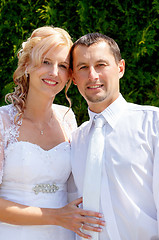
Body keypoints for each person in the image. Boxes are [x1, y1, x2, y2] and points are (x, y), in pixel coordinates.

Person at [0, 27, 105, 240]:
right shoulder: (3, 121)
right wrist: (56, 216)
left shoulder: (67, 118)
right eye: (46, 62)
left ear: (69, 75)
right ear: (28, 64)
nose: (54, 72)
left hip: (63, 233)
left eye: (63, 65)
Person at [70, 32, 159, 240]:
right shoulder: (76, 139)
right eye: (83, 67)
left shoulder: (154, 124)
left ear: (120, 68)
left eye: (101, 65)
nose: (93, 75)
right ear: (74, 78)